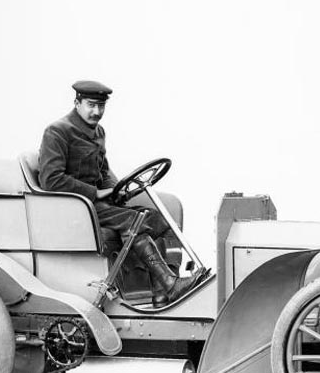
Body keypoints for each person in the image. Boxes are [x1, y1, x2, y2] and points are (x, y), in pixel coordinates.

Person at [38, 80, 206, 304]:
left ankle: (163, 290)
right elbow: (51, 180)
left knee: (159, 221)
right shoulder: (58, 132)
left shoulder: (98, 132)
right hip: (75, 208)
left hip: (97, 206)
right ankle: (170, 285)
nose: (97, 112)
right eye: (91, 105)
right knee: (135, 222)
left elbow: (103, 170)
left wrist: (118, 189)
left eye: (101, 106)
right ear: (77, 102)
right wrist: (95, 193)